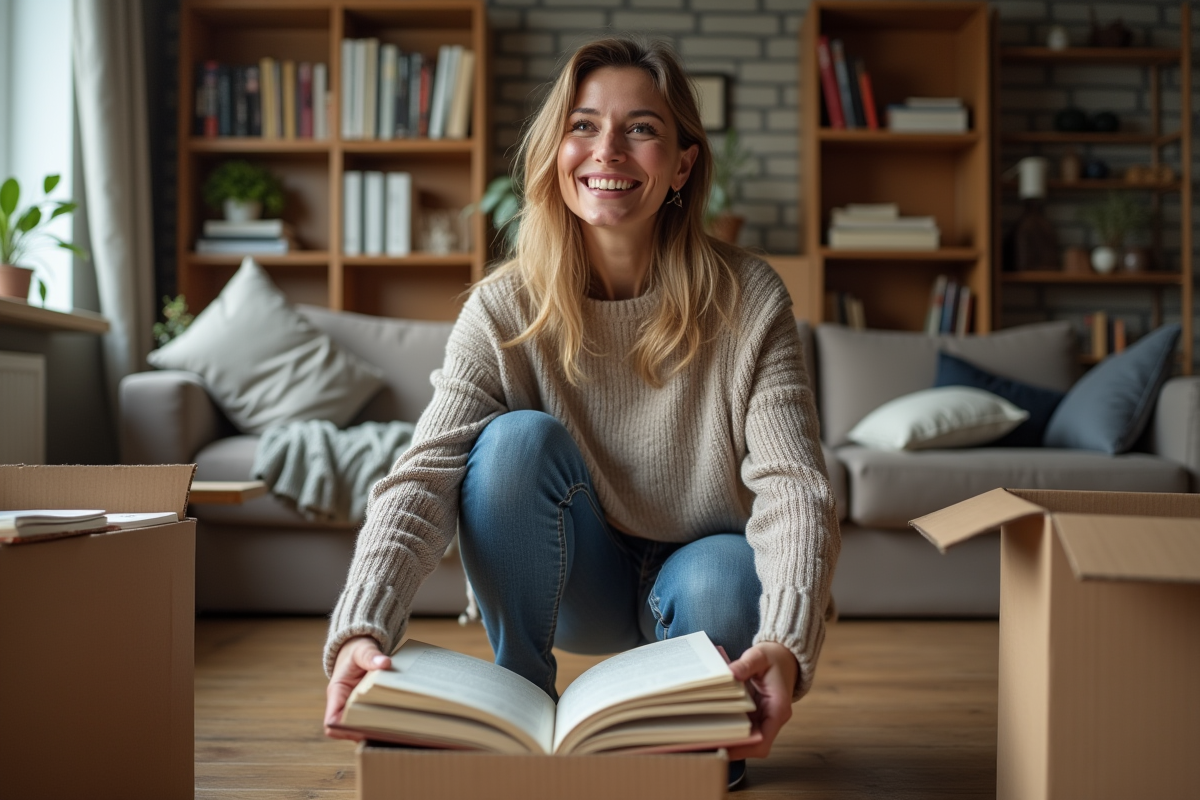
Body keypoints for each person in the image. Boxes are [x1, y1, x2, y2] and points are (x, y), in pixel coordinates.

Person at [322, 37, 840, 773]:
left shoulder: (750, 298)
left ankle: (702, 728)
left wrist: (785, 644)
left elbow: (795, 485)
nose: (609, 151)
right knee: (512, 445)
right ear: (555, 149)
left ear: (683, 165)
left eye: (642, 128)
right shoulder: (504, 308)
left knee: (726, 575)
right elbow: (423, 476)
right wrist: (360, 629)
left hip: (704, 583)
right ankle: (520, 699)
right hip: (574, 576)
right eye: (584, 125)